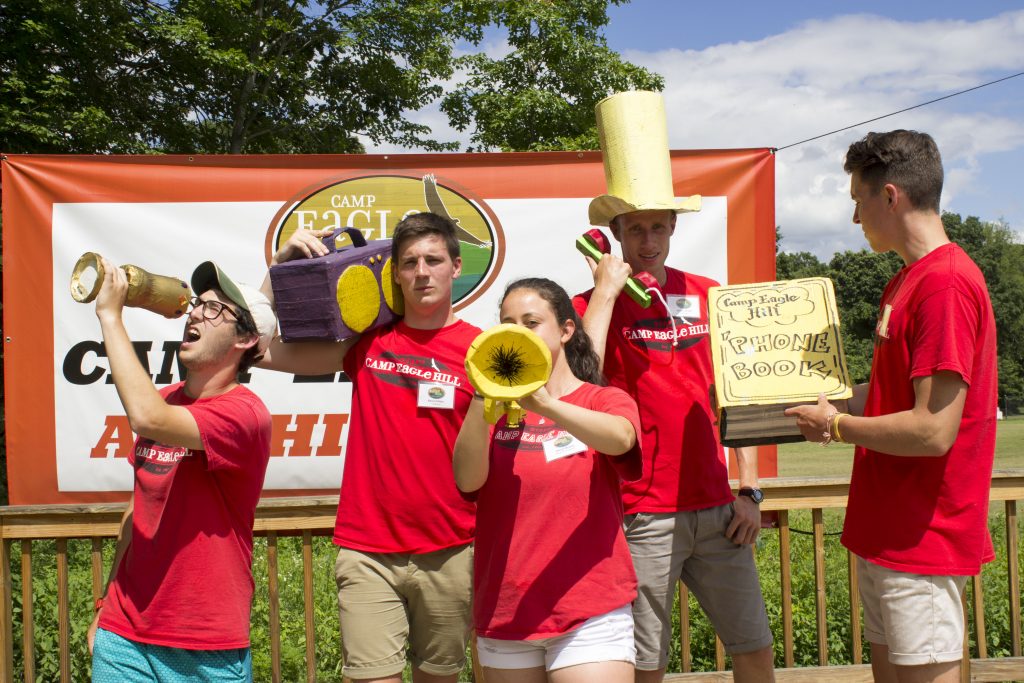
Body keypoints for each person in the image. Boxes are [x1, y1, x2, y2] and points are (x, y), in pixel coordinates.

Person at [574, 91, 774, 682]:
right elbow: (581, 375)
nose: (650, 240)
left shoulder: (710, 290)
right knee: (645, 661)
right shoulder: (593, 305)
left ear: (674, 230)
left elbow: (741, 393)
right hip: (642, 511)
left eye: (660, 227)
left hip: (719, 506)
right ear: (614, 234)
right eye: (636, 228)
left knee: (753, 645)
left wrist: (751, 490)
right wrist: (607, 290)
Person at [786, 129, 998, 683]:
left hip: (923, 537)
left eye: (858, 202)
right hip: (888, 531)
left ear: (890, 197)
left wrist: (834, 424)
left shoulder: (945, 285)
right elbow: (885, 397)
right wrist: (803, 396)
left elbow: (933, 431)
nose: (856, 219)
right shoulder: (905, 281)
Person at [259, 212, 479, 682]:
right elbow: (257, 348)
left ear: (456, 267)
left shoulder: (481, 351)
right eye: (409, 262)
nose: (422, 271)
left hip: (452, 550)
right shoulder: (366, 343)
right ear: (395, 273)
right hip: (368, 552)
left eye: (433, 260)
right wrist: (279, 273)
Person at [88, 259, 276, 683]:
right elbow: (137, 513)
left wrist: (110, 314)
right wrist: (106, 608)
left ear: (245, 338)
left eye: (214, 310)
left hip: (205, 645)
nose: (194, 313)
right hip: (124, 635)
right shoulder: (166, 398)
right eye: (197, 305)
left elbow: (146, 418)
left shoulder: (245, 415)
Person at [453, 277, 643, 683]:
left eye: (531, 322)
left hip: (589, 609)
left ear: (566, 330)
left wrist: (545, 404)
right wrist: (478, 395)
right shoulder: (492, 411)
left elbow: (621, 440)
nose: (517, 332)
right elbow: (468, 482)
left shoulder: (601, 399)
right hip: (507, 612)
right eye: (508, 323)